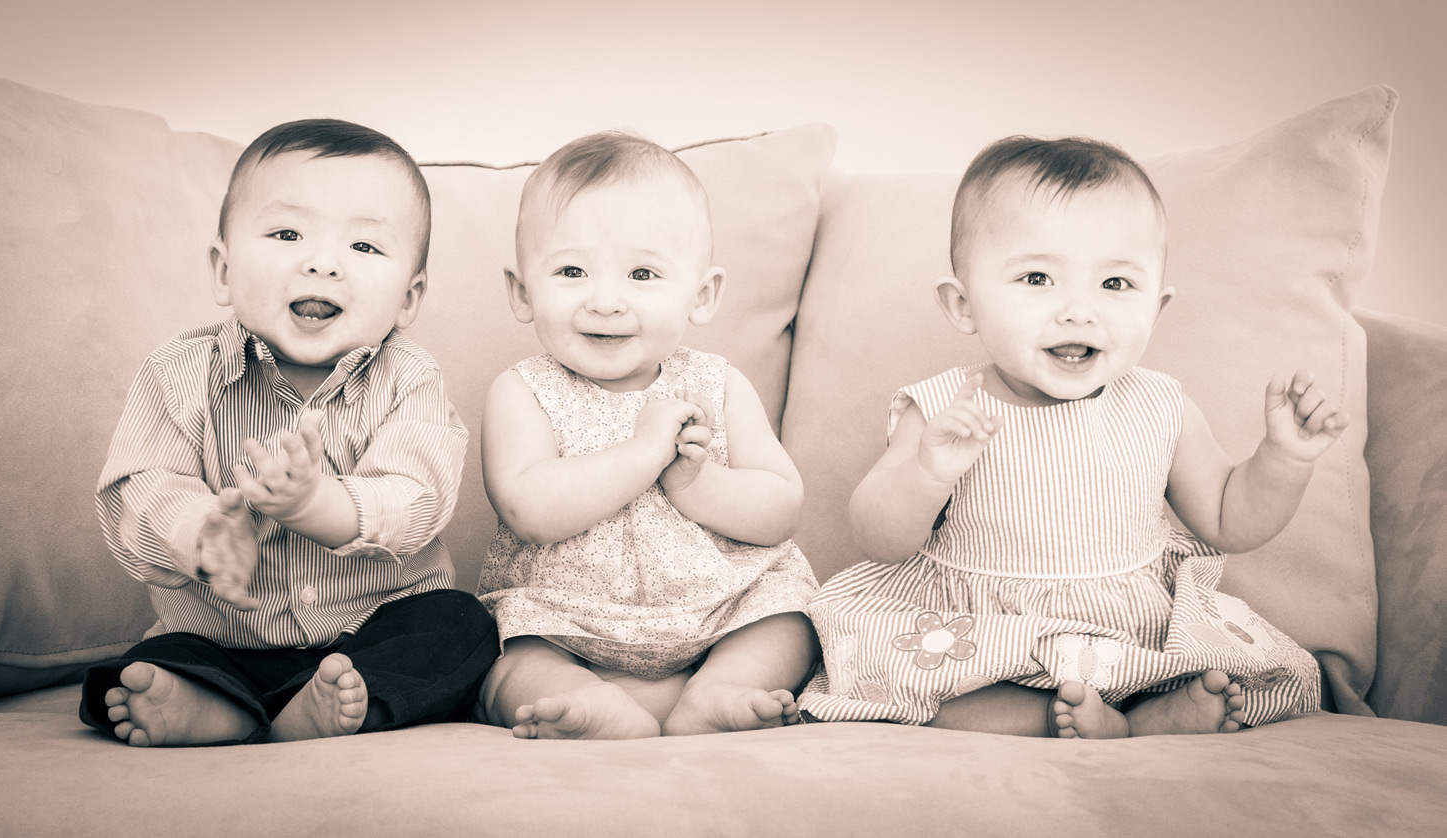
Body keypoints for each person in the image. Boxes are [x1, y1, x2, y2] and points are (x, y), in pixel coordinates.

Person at [797, 136, 1342, 738]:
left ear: (1155, 310)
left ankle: (1145, 712)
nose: (1079, 311)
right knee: (879, 671)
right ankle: (1053, 715)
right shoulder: (945, 409)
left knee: (1262, 671)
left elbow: (1227, 520)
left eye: (1115, 285)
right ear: (963, 305)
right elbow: (879, 539)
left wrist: (1284, 459)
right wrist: (926, 474)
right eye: (1037, 277)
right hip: (980, 628)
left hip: (1127, 626)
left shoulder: (1161, 405)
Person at [80, 119, 498, 746]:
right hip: (224, 634)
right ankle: (220, 705)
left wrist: (319, 505)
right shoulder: (180, 374)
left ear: (409, 298)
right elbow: (135, 488)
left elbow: (418, 497)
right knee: (140, 670)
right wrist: (197, 531)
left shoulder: (411, 380)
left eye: (364, 247)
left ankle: (331, 707)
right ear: (223, 269)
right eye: (286, 233)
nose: (322, 262)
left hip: (373, 629)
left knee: (463, 627)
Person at [475, 131, 819, 740]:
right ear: (522, 292)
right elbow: (529, 508)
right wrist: (642, 454)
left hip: (721, 608)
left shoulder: (719, 382)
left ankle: (719, 690)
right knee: (506, 660)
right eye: (571, 270)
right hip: (568, 619)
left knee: (789, 617)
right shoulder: (522, 389)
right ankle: (581, 701)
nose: (605, 301)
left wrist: (698, 481)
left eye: (642, 273)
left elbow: (780, 510)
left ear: (702, 295)